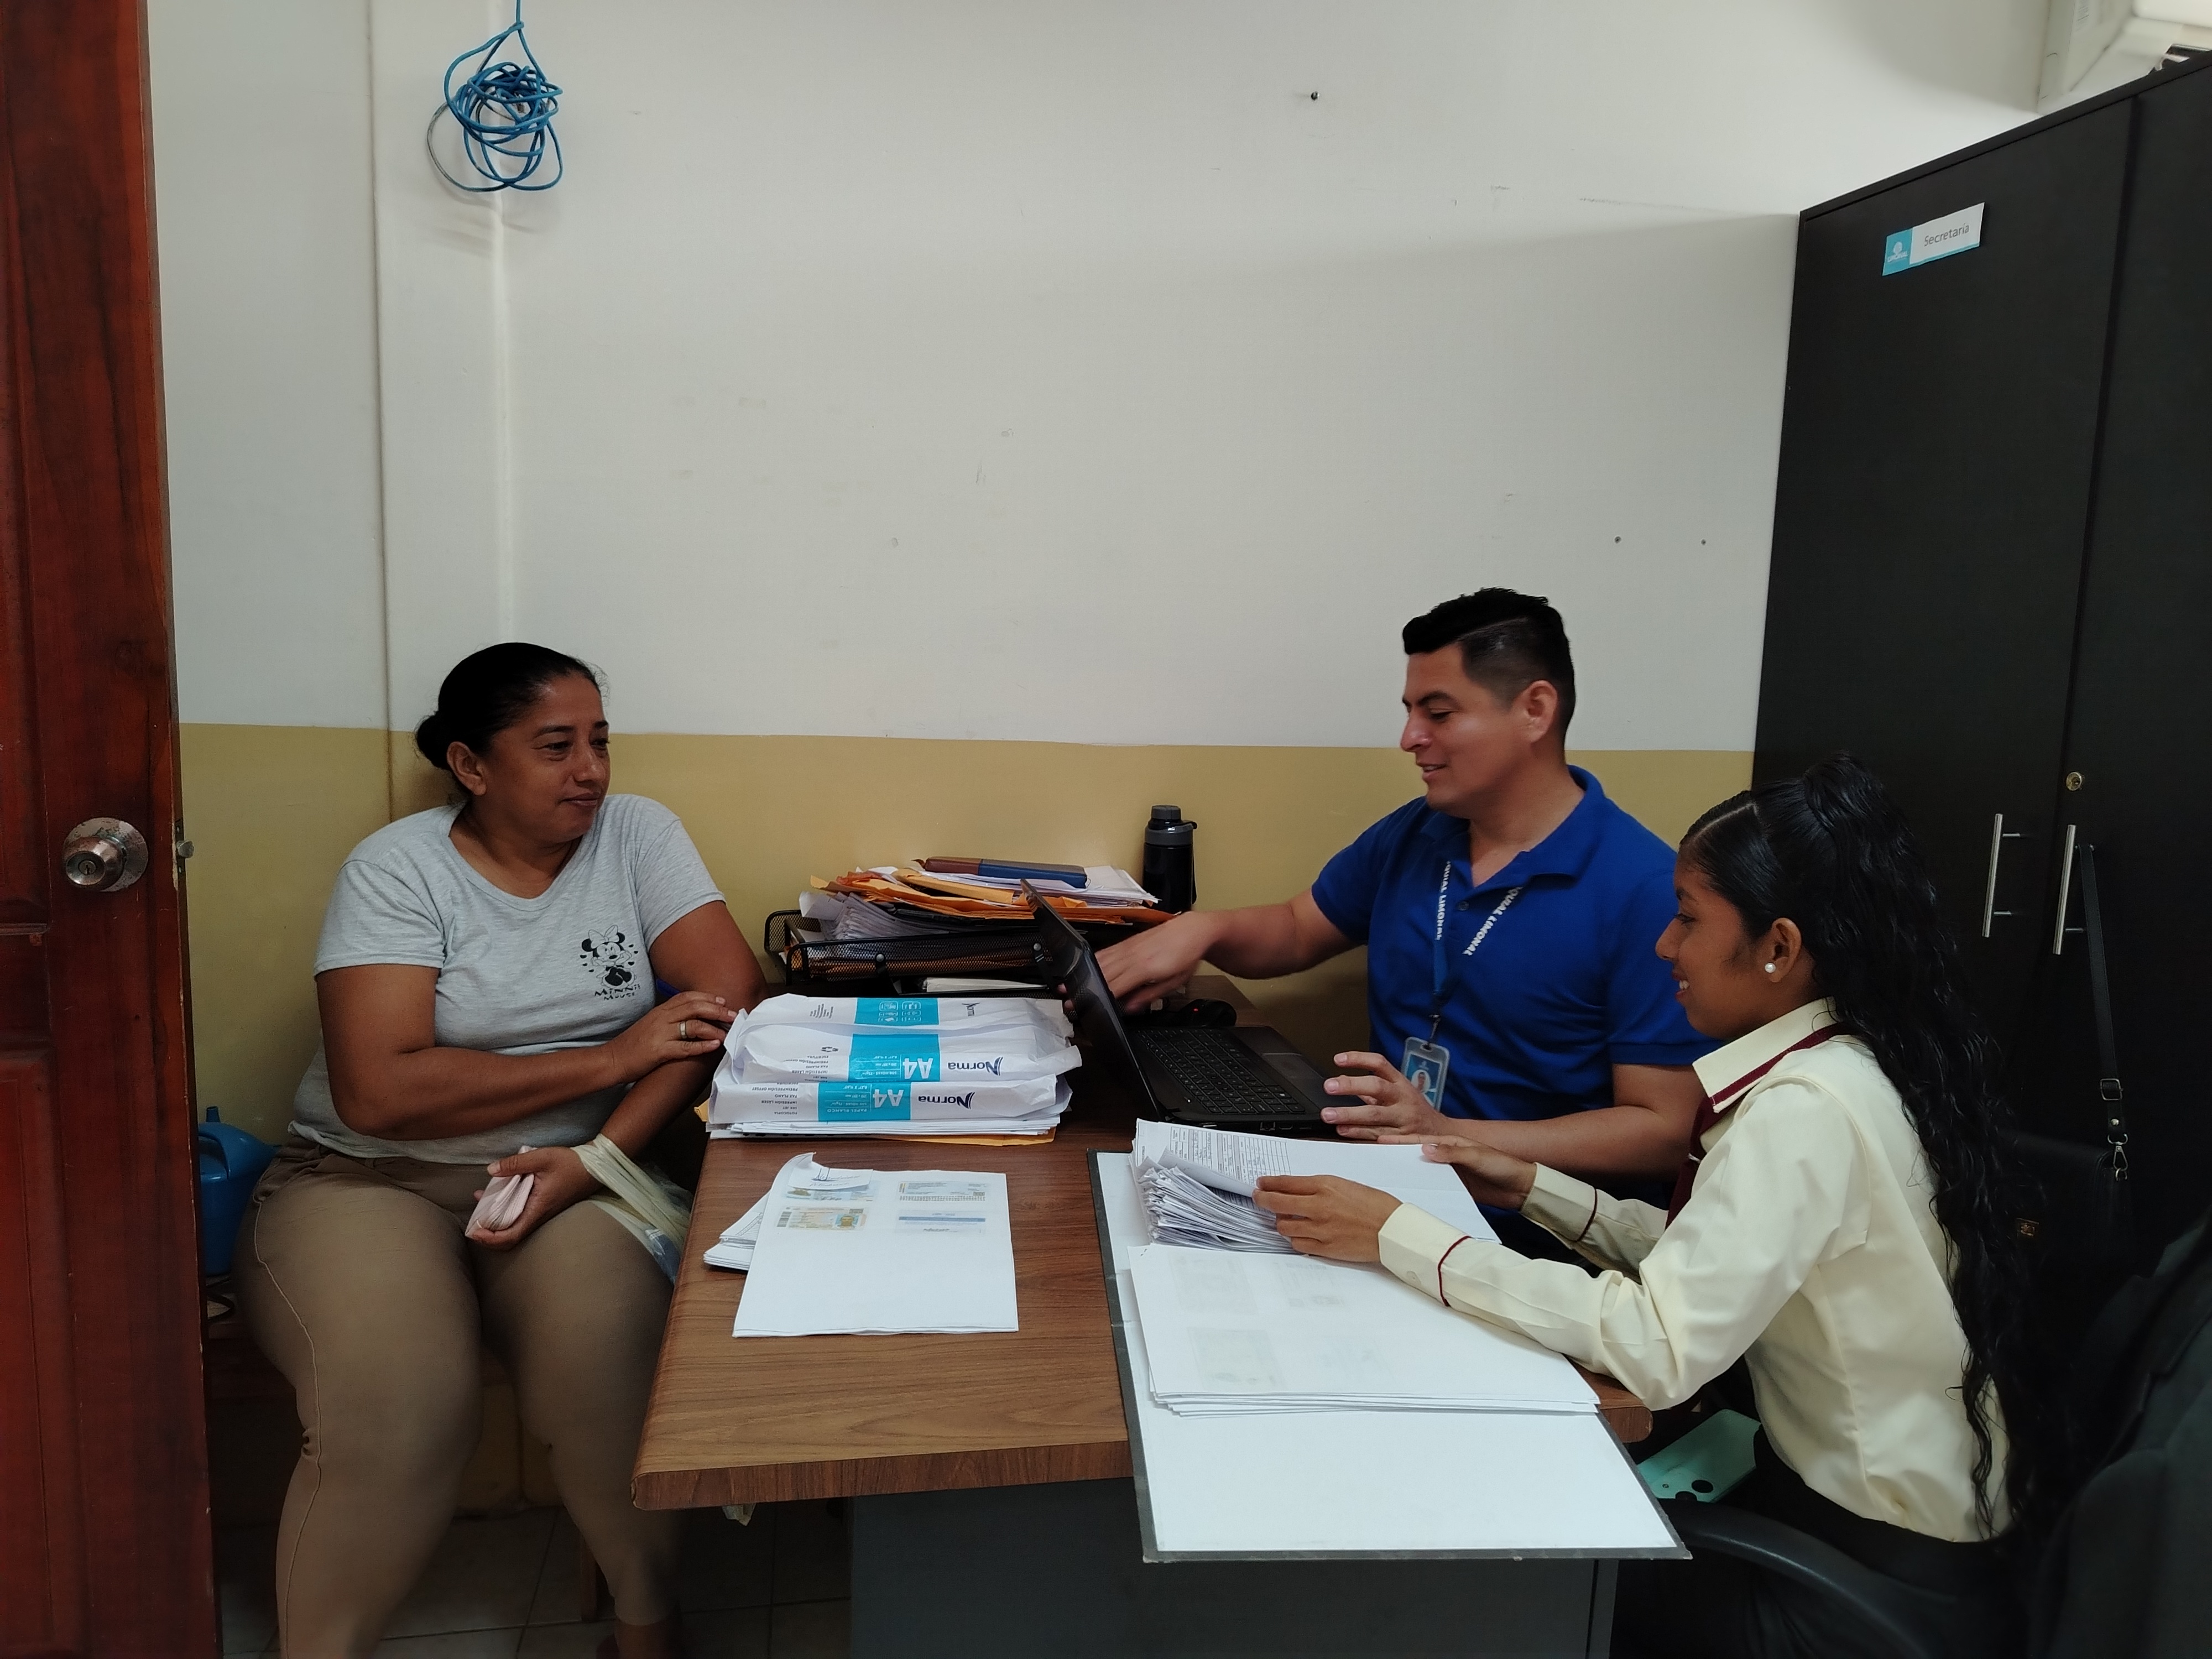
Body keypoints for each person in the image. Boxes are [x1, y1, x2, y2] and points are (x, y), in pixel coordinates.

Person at [1249, 755, 2050, 1658]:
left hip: (1854, 1587)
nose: (1666, 947)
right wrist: (1529, 1185)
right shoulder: (1858, 1060)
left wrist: (1396, 1234)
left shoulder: (1803, 1111)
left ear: (1779, 948)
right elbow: (1712, 1256)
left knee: (1493, 1577)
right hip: (1910, 1547)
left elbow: (1658, 1347)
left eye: (1689, 918)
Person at [237, 643, 765, 1658]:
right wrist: (610, 1056)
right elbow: (378, 1091)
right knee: (397, 1409)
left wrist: (597, 1159)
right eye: (556, 747)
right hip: (366, 1179)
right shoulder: (399, 868)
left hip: (571, 1177)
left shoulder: (637, 835)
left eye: (600, 742)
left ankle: (646, 1631)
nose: (590, 771)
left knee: (612, 1366)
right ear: (472, 766)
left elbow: (724, 1005)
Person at [1099, 589, 1710, 1238]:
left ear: (1534, 710)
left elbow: (1662, 1133)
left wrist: (1446, 1133)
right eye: (1411, 711)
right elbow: (1298, 930)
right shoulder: (1419, 831)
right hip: (1376, 1195)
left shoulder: (1645, 889)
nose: (1410, 738)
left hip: (1517, 1242)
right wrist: (1204, 930)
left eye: (1438, 713)